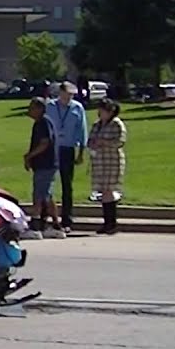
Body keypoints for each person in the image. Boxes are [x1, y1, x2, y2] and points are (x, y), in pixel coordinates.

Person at [45, 81, 87, 232]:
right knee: (48, 184)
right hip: (51, 148)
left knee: (67, 185)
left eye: (72, 95)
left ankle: (67, 219)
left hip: (68, 148)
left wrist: (81, 151)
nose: (69, 97)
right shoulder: (50, 106)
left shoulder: (77, 108)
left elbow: (82, 130)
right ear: (60, 93)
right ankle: (45, 217)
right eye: (67, 94)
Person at [24, 96, 65, 239]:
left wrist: (29, 156)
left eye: (32, 108)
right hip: (48, 164)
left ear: (40, 109)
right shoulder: (43, 123)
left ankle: (35, 226)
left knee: (39, 195)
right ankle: (55, 225)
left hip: (45, 165)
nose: (29, 111)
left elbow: (44, 143)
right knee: (48, 196)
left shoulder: (43, 123)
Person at [88, 98, 127, 235]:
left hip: (112, 161)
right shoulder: (97, 125)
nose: (100, 112)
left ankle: (111, 223)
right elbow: (90, 140)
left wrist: (104, 142)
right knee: (103, 191)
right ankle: (106, 222)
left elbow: (120, 141)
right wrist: (92, 144)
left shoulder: (117, 124)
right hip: (99, 162)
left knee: (108, 190)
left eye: (103, 110)